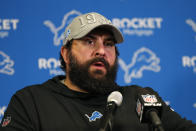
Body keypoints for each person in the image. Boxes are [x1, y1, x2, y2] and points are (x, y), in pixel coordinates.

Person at [0, 12, 196, 131]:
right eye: (89, 41)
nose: (101, 50)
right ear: (66, 54)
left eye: (108, 44)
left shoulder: (142, 98)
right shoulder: (30, 102)